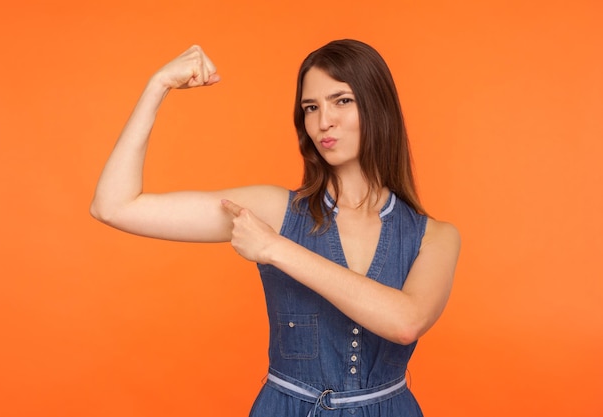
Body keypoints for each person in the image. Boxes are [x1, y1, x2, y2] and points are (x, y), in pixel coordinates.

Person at [91, 39, 460, 416]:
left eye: (342, 101)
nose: (322, 121)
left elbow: (405, 323)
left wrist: (275, 249)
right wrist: (158, 86)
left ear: (378, 106)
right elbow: (114, 207)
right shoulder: (274, 209)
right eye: (310, 107)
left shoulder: (436, 236)